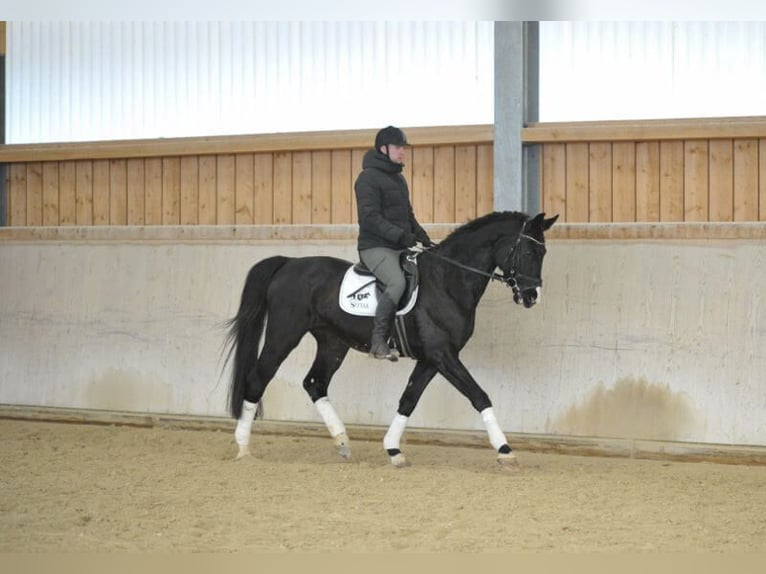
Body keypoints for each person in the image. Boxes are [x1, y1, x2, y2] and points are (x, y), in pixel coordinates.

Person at [354, 125, 433, 361]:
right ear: (383, 149)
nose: (402, 152)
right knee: (397, 282)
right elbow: (370, 218)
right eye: (398, 148)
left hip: (399, 245)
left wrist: (423, 236)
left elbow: (407, 215)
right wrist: (401, 236)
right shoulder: (367, 179)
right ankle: (378, 342)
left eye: (403, 148)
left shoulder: (398, 179)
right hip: (375, 247)